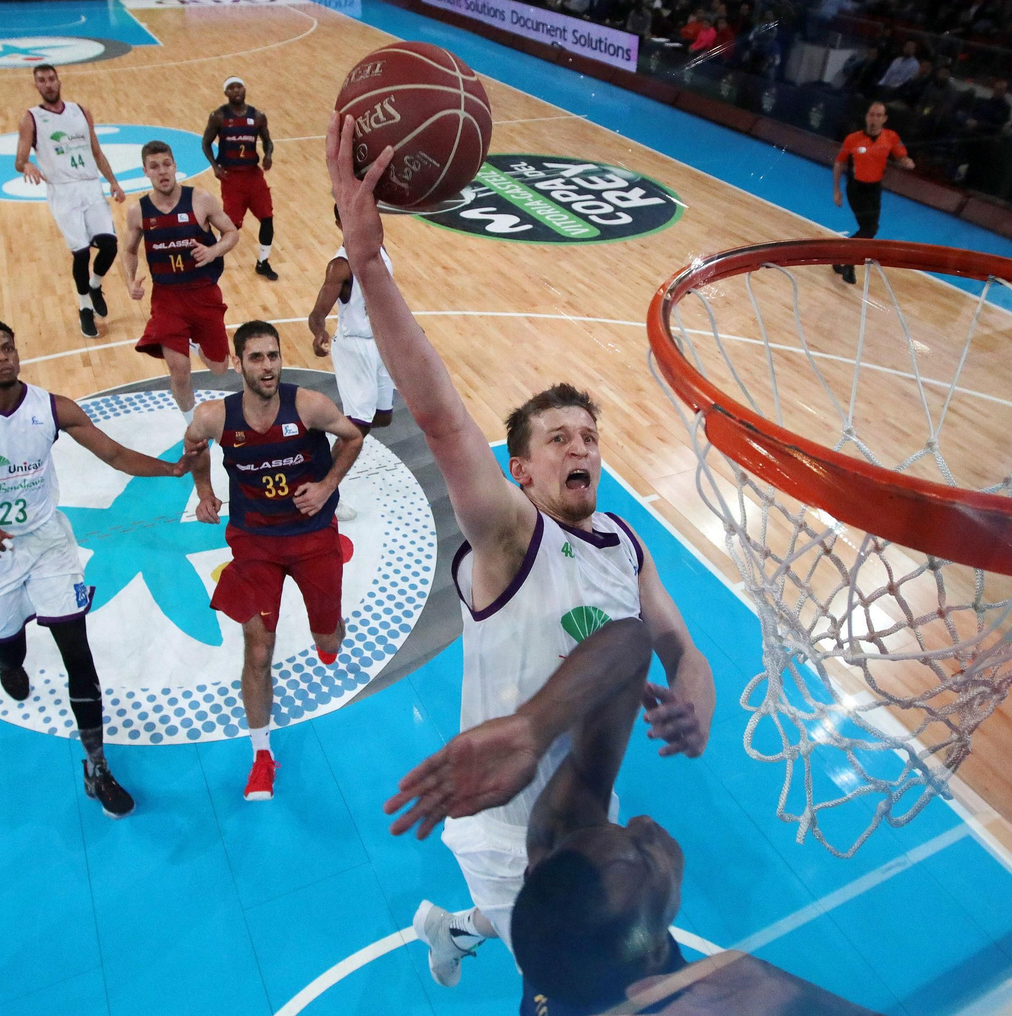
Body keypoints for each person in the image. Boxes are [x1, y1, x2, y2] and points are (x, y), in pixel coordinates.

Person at [325, 114, 716, 990]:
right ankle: (470, 928)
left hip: (586, 801)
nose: (581, 448)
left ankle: (450, 932)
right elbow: (438, 413)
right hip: (500, 824)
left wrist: (696, 694)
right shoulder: (510, 535)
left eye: (590, 435)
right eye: (559, 439)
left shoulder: (624, 541)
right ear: (524, 470)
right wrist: (369, 260)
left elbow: (677, 644)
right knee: (596, 980)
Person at [386, 618, 882, 1015]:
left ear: (540, 860)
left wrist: (533, 726)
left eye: (621, 832)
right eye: (644, 856)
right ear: (649, 963)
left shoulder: (563, 850)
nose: (643, 824)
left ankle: (454, 931)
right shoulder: (729, 997)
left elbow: (631, 639)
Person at [0, 320, 193, 818]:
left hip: (47, 543)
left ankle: (97, 766)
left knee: (77, 653)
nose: (2, 357)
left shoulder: (51, 407)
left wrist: (170, 470)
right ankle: (7, 657)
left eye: (8, 347)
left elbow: (114, 453)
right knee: (9, 640)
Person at [184, 320, 365, 801]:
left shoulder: (308, 404)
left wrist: (327, 487)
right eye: (257, 357)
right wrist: (203, 491)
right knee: (258, 650)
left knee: (328, 639)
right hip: (255, 542)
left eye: (273, 356)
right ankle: (262, 756)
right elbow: (194, 447)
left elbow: (352, 438)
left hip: (311, 536)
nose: (267, 366)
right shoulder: (213, 417)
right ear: (239, 363)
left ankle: (329, 624)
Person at [121, 140, 239, 425]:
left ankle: (196, 344)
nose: (162, 171)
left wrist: (213, 251)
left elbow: (231, 233)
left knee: (220, 368)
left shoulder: (201, 199)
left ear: (175, 166)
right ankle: (191, 425)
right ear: (145, 172)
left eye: (166, 164)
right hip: (166, 298)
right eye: (154, 166)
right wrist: (129, 283)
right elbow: (127, 250)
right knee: (179, 369)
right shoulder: (138, 212)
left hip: (203, 293)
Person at [15, 64, 125, 339]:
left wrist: (112, 181)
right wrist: (26, 165)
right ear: (36, 86)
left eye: (51, 78)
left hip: (90, 186)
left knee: (110, 245)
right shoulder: (31, 118)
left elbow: (96, 151)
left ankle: (95, 284)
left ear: (58, 80)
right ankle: (85, 307)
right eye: (42, 80)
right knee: (81, 253)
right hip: (62, 191)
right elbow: (20, 159)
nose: (48, 84)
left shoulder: (80, 111)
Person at [304, 205, 397, 522]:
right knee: (357, 428)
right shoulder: (341, 266)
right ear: (339, 223)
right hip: (355, 347)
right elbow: (317, 315)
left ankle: (320, 433)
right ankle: (324, 490)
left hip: (381, 342)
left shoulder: (380, 248)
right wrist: (320, 334)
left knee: (381, 418)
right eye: (351, 219)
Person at [202, 77, 278, 282]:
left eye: (239, 86)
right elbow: (206, 143)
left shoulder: (258, 116)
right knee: (231, 225)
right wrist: (215, 166)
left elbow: (268, 141)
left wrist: (268, 155)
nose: (236, 91)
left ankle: (263, 262)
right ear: (226, 93)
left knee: (267, 217)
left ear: (244, 88)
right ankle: (215, 258)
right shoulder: (218, 116)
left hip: (253, 175)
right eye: (231, 88)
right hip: (231, 177)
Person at [832, 102, 915, 284]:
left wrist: (906, 162)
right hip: (856, 188)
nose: (874, 119)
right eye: (871, 114)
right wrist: (837, 190)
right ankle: (849, 265)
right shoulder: (853, 139)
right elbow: (839, 163)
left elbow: (901, 155)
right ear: (866, 117)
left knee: (870, 229)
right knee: (868, 228)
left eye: (878, 115)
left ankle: (841, 255)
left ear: (884, 119)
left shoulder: (891, 137)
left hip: (874, 189)